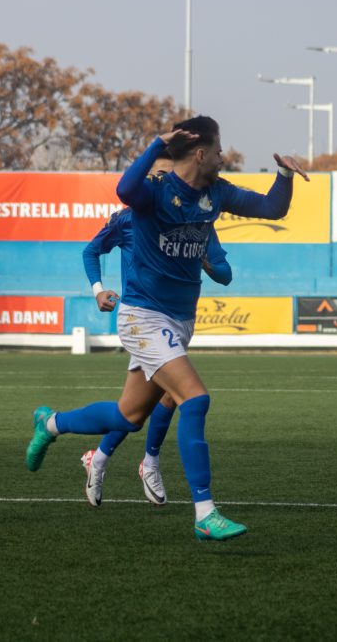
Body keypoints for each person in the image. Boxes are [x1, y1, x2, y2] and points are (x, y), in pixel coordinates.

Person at [24, 116, 307, 541]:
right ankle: (205, 513)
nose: (223, 157)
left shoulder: (216, 193)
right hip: (143, 317)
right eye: (218, 150)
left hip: (179, 321)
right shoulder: (153, 193)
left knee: (128, 416)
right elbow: (125, 191)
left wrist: (284, 175)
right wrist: (158, 143)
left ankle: (51, 424)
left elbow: (272, 208)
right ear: (200, 154)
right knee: (194, 398)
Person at [80, 150, 232, 508]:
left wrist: (207, 262)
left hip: (178, 319)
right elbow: (91, 251)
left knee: (137, 409)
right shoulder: (130, 218)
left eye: (169, 175)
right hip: (144, 318)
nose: (163, 182)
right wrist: (98, 290)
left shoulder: (198, 219)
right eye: (157, 176)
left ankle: (97, 456)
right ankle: (149, 464)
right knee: (174, 395)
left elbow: (225, 274)